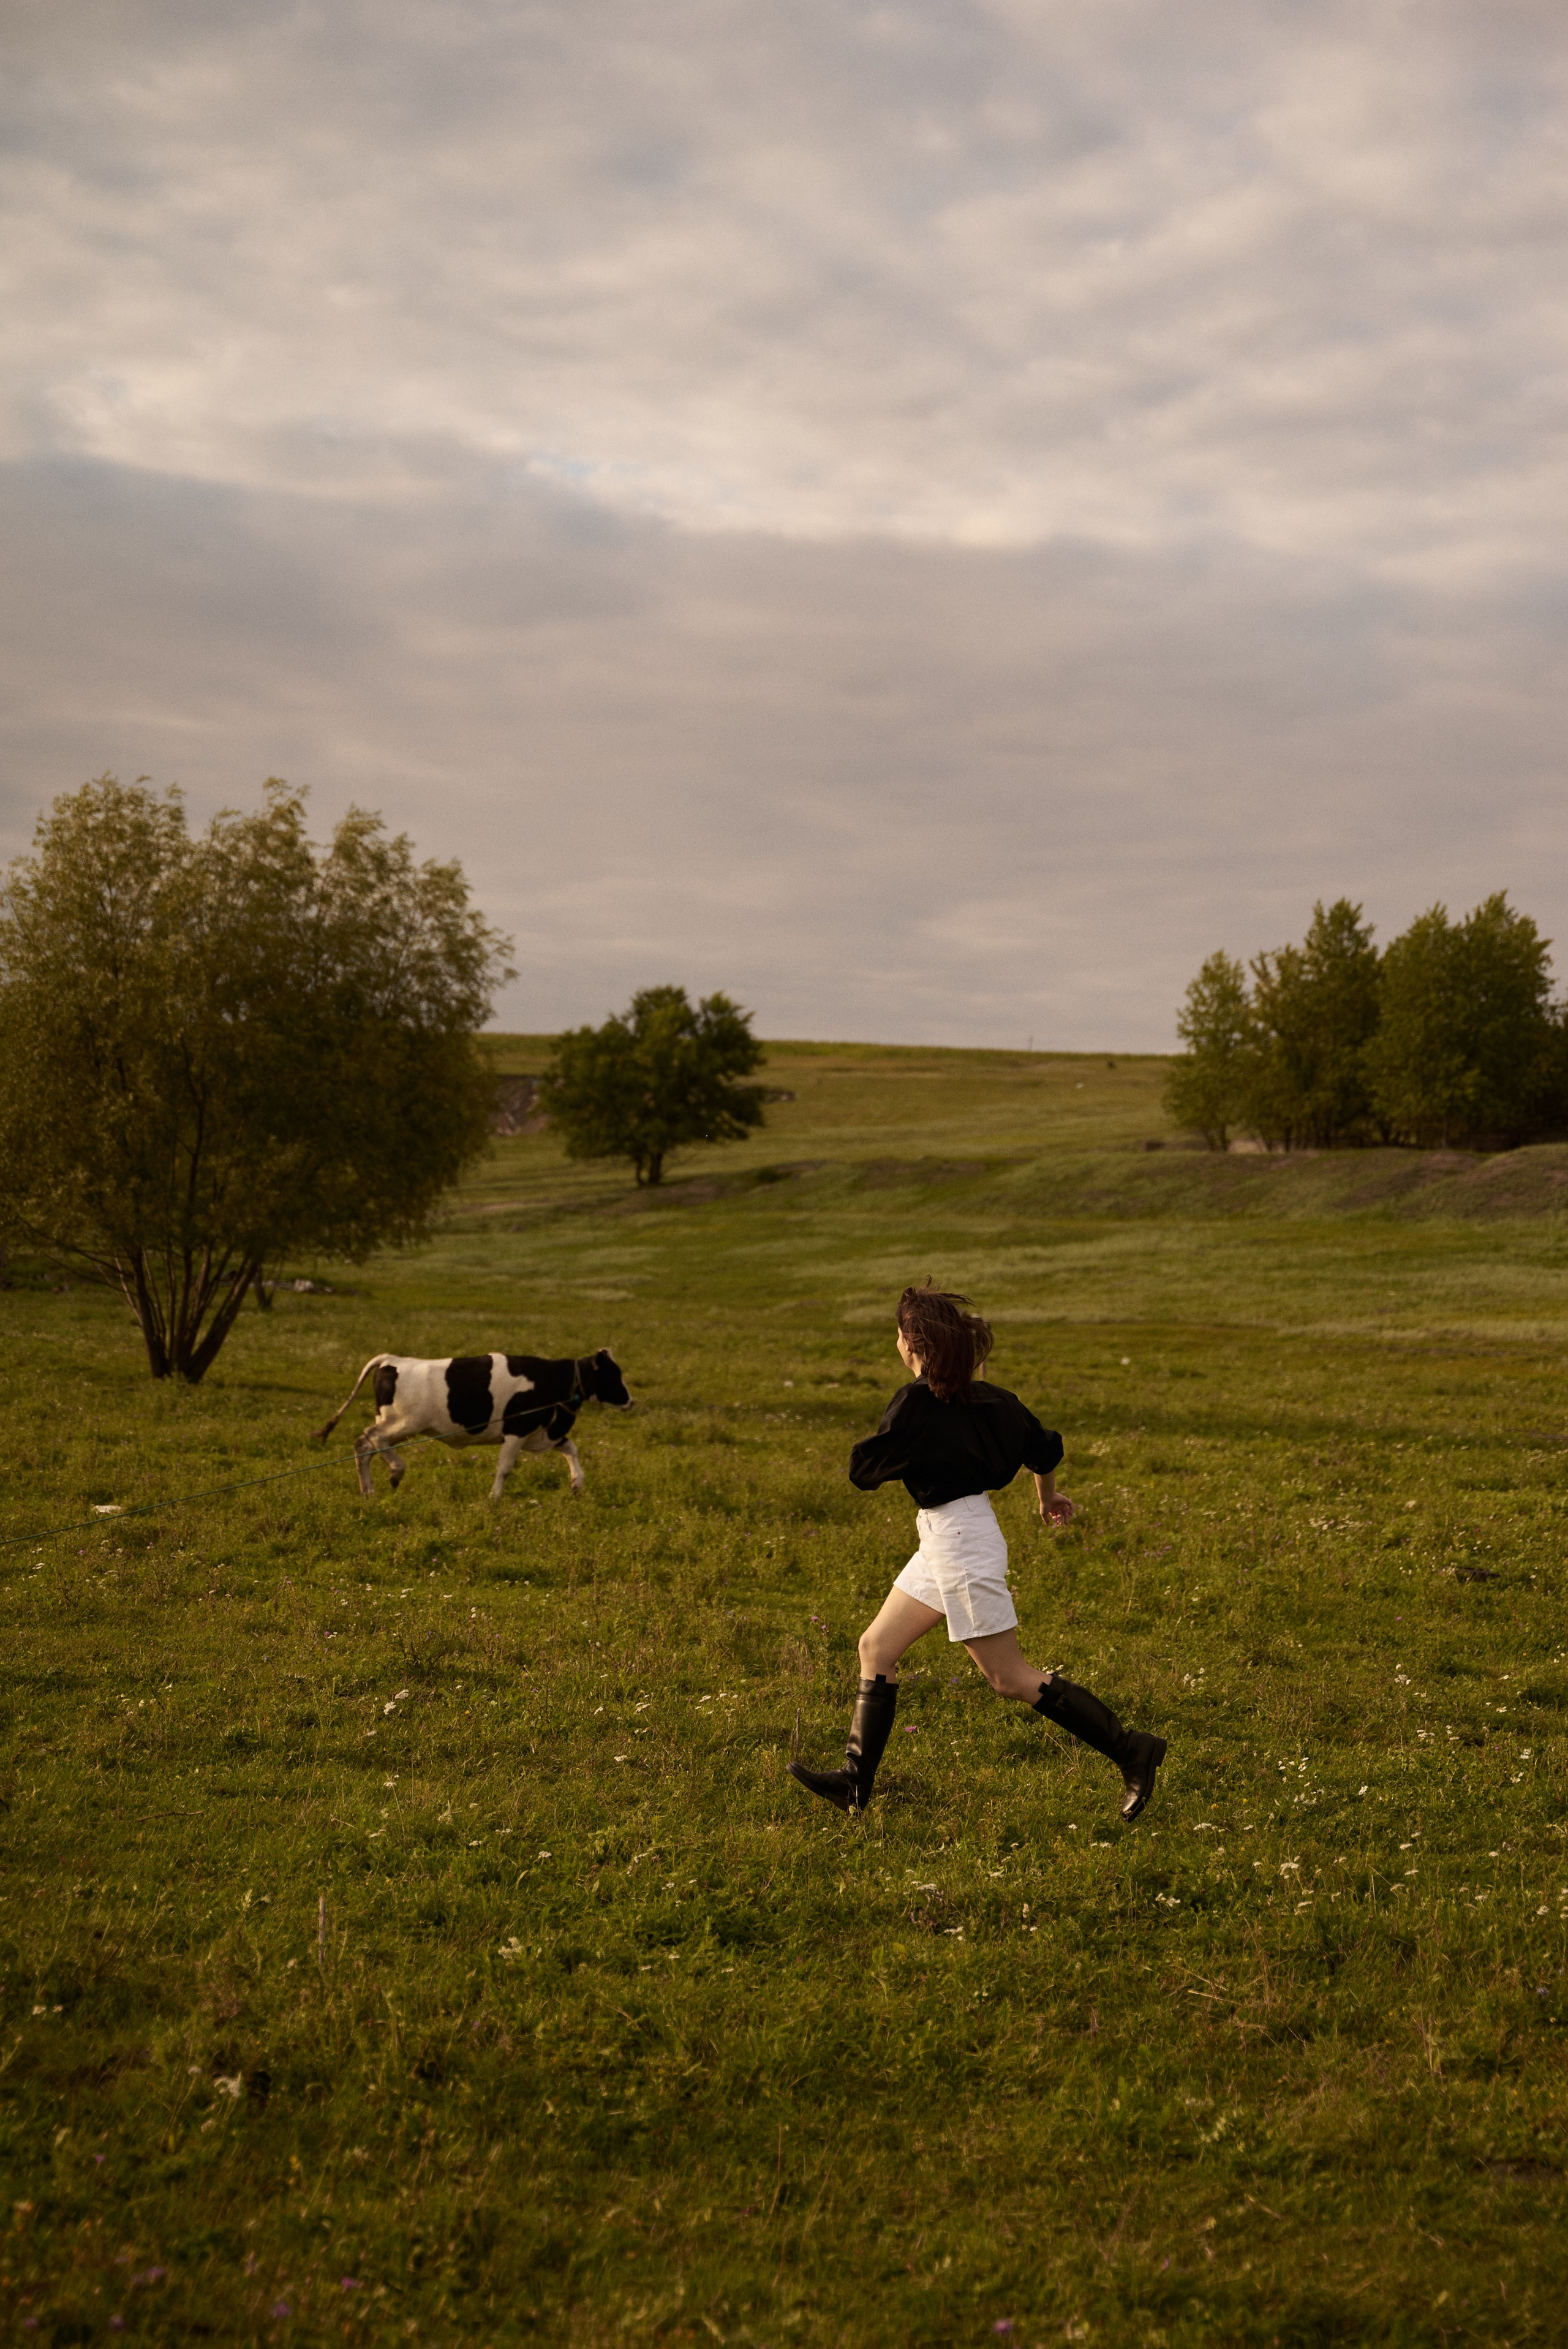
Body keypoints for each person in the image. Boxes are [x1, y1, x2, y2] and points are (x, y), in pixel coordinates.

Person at [787, 1284, 1166, 1823]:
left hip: (960, 1545)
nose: (896, 1341)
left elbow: (862, 1473)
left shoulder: (915, 1401)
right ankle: (854, 1783)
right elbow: (1046, 1448)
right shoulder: (996, 1400)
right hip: (955, 1535)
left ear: (914, 1344)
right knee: (876, 1647)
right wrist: (1047, 1496)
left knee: (1008, 1677)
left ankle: (1133, 1749)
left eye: (899, 1333)